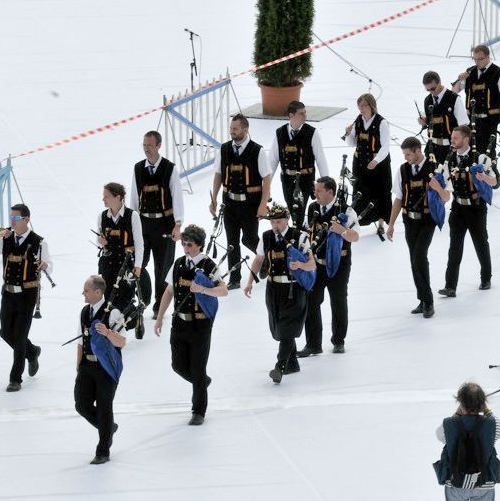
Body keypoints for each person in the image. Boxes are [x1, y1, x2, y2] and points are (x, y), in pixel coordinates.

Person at [153, 225, 228, 426]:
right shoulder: (178, 264)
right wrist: (160, 317)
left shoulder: (209, 265)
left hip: (200, 325)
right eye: (184, 244)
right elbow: (169, 292)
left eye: (190, 245)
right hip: (179, 323)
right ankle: (202, 382)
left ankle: (198, 411)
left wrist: (203, 289)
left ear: (199, 246)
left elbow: (223, 291)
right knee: (178, 365)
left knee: (197, 367)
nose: (186, 248)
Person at [0, 203, 52, 392]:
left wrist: (45, 265)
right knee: (5, 332)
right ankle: (32, 351)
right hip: (8, 293)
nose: (12, 221)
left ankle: (15, 379)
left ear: (26, 220)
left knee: (19, 336)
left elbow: (49, 265)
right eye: (11, 218)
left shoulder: (39, 242)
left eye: (15, 218)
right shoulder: (6, 239)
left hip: (27, 294)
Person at [244, 203, 315, 383]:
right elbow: (259, 259)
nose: (275, 225)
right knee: (279, 327)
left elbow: (312, 265)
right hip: (273, 288)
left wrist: (300, 265)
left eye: (279, 221)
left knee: (287, 327)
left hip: (293, 289)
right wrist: (250, 281)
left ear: (287, 220)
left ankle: (279, 367)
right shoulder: (266, 237)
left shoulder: (300, 237)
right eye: (273, 222)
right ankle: (292, 363)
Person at [387, 137, 448, 318]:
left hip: (427, 220)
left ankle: (428, 301)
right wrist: (391, 224)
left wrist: (437, 188)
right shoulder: (403, 170)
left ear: (418, 151)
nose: (406, 158)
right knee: (414, 259)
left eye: (408, 154)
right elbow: (398, 198)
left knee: (419, 256)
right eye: (404, 154)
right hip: (409, 220)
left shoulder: (435, 169)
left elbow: (447, 197)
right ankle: (422, 299)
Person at [299, 176, 360, 356]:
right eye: (315, 190)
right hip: (317, 263)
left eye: (318, 190)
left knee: (338, 300)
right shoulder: (312, 208)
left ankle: (338, 340)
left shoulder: (346, 210)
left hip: (339, 263)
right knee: (311, 301)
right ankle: (313, 344)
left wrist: (342, 231)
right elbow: (306, 231)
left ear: (330, 192)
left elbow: (355, 236)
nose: (315, 193)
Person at [210, 113, 272, 290]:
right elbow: (218, 174)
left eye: (235, 129)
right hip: (229, 203)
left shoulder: (256, 150)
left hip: (250, 204)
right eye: (231, 128)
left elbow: (266, 178)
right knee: (232, 241)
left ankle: (266, 260)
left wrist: (263, 204)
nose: (232, 132)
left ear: (245, 129)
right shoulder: (224, 149)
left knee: (249, 239)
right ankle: (235, 277)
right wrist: (213, 198)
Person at [130, 130, 184, 320]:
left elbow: (177, 198)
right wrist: (132, 225)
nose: (147, 149)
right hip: (144, 224)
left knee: (163, 267)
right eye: (144, 145)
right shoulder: (138, 169)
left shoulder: (170, 169)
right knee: (138, 264)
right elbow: (134, 199)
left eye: (150, 146)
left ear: (159, 146)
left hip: (164, 224)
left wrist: (178, 225)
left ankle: (159, 304)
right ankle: (142, 299)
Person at [439, 126, 498, 298]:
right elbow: (445, 181)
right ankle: (450, 286)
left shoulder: (480, 158)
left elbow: (494, 182)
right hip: (458, 208)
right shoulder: (450, 159)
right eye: (452, 138)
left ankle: (486, 278)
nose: (452, 140)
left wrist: (484, 178)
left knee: (480, 243)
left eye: (455, 138)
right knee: (454, 247)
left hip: (476, 207)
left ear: (466, 139)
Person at [74, 275, 126, 465]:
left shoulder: (113, 313)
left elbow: (122, 342)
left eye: (86, 290)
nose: (83, 293)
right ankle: (108, 428)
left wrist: (108, 333)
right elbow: (80, 341)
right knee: (81, 404)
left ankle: (103, 449)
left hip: (106, 367)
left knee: (105, 407)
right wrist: (79, 367)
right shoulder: (84, 312)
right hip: (87, 365)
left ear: (98, 292)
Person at [434, 382, 500, 501]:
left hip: (455, 482)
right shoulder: (492, 425)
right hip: (484, 482)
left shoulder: (449, 424)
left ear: (460, 402)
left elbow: (439, 436)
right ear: (483, 403)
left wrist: (455, 415)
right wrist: (488, 412)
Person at [269, 101, 329, 228]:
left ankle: (297, 235)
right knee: (292, 209)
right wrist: (266, 185)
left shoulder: (312, 133)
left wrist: (326, 183)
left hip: (305, 180)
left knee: (298, 211)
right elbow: (273, 160)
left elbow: (320, 159)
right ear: (291, 115)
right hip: (286, 179)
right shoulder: (280, 133)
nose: (305, 115)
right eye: (301, 113)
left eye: (305, 112)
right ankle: (300, 232)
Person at [453, 45, 500, 175]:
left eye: (480, 59)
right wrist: (459, 80)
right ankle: (474, 174)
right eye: (474, 59)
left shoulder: (499, 73)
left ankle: (491, 175)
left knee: (488, 149)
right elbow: (455, 91)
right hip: (471, 119)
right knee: (472, 148)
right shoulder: (470, 72)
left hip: (489, 119)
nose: (477, 62)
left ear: (487, 57)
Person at [344, 93, 392, 237]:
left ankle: (381, 223)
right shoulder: (358, 121)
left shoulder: (381, 122)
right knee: (359, 190)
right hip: (359, 164)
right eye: (359, 106)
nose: (361, 109)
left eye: (364, 105)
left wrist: (376, 161)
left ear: (371, 106)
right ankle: (359, 221)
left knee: (381, 192)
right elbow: (352, 143)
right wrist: (348, 134)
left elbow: (385, 146)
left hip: (378, 164)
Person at [96, 182, 145, 311]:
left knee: (125, 294)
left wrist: (138, 266)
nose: (103, 199)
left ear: (117, 197)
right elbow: (99, 239)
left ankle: (125, 321)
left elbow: (139, 243)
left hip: (127, 262)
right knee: (109, 296)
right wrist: (100, 241)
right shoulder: (102, 216)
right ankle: (110, 322)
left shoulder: (132, 216)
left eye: (106, 196)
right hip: (109, 262)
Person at [420, 71, 469, 160]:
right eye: (428, 90)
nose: (431, 92)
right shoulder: (427, 100)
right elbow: (430, 122)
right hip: (432, 148)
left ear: (439, 83)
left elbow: (463, 126)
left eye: (433, 89)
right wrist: (424, 122)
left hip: (450, 149)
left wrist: (459, 145)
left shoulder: (454, 99)